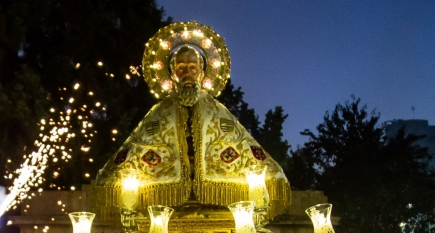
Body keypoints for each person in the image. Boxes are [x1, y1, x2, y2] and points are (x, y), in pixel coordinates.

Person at [94, 22, 291, 218]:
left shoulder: (217, 112)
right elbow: (132, 154)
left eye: (192, 67)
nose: (187, 73)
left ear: (202, 72)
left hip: (211, 205)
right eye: (181, 68)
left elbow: (247, 151)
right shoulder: (159, 113)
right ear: (172, 74)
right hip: (166, 210)